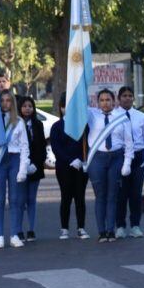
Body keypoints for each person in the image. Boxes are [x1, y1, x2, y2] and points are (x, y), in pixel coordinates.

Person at [86, 89, 133, 243]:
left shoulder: (122, 117)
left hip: (116, 158)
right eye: (102, 100)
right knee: (100, 196)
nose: (105, 103)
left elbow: (128, 142)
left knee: (113, 196)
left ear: (114, 101)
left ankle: (110, 230)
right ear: (97, 102)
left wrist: (127, 163)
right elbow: (78, 107)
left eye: (108, 100)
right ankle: (101, 232)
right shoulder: (92, 115)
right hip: (97, 159)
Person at [0, 90, 30, 249]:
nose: (5, 103)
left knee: (15, 200)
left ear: (12, 103)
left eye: (8, 100)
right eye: (2, 100)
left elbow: (24, 146)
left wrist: (23, 168)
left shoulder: (19, 121)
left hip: (15, 160)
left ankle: (14, 234)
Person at [115, 86, 144, 239]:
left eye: (130, 95)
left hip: (138, 156)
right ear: (119, 99)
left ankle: (135, 226)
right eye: (124, 95)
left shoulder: (141, 116)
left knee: (136, 193)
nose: (127, 98)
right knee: (121, 193)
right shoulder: (114, 116)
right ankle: (120, 226)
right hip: (121, 156)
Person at [50, 93, 90, 240]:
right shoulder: (57, 126)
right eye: (64, 106)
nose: (67, 109)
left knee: (80, 197)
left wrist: (81, 159)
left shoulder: (83, 125)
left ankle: (81, 228)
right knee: (66, 197)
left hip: (80, 167)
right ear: (61, 108)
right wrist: (69, 160)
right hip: (64, 167)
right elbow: (56, 147)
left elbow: (86, 144)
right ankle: (64, 228)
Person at [18, 96, 46, 242]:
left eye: (30, 106)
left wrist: (36, 164)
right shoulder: (15, 124)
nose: (27, 108)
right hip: (20, 168)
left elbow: (41, 147)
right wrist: (24, 165)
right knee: (20, 200)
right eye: (24, 106)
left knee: (31, 199)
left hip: (35, 168)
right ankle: (19, 229)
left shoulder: (38, 125)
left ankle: (31, 229)